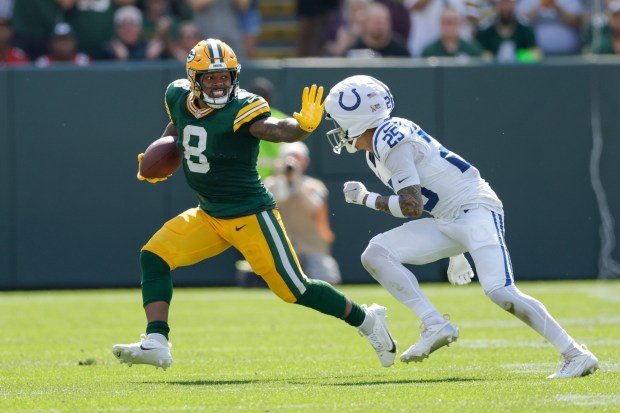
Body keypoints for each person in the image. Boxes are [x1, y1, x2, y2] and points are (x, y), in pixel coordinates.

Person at [111, 39, 397, 371]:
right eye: (211, 78)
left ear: (235, 76)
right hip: (209, 212)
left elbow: (273, 129)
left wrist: (300, 128)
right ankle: (156, 341)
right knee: (155, 256)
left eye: (225, 77)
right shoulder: (177, 96)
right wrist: (160, 158)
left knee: (295, 289)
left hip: (251, 214)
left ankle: (367, 319)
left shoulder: (244, 107)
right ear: (193, 79)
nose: (219, 83)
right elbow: (176, 128)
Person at [322, 74, 600, 379]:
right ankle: (434, 323)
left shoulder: (390, 140)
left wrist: (365, 199)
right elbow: (433, 194)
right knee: (375, 254)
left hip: (475, 209)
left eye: (338, 121)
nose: (337, 129)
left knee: (500, 291)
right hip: (447, 217)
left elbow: (411, 206)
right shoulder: (377, 148)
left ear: (356, 120)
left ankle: (576, 354)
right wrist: (456, 252)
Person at [265, 142, 343, 285]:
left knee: (327, 282)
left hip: (313, 247)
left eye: (297, 158)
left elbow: (315, 207)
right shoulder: (270, 184)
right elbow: (275, 203)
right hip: (284, 249)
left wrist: (297, 181)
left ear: (305, 161)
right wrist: (281, 178)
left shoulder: (315, 186)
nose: (292, 162)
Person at [475, 0, 540, 62]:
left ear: (514, 4)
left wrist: (519, 56)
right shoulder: (485, 31)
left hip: (520, 71)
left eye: (509, 3)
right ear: (496, 5)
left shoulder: (525, 29)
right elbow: (478, 53)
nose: (505, 7)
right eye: (502, 3)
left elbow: (535, 53)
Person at [516, 0, 584, 56]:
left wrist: (556, 6)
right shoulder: (527, 1)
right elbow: (521, 20)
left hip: (569, 54)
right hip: (535, 56)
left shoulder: (570, 1)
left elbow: (577, 21)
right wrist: (539, 6)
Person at [346, 2, 411, 57]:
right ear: (365, 23)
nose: (379, 26)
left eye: (382, 22)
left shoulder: (399, 48)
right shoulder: (356, 49)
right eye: (375, 22)